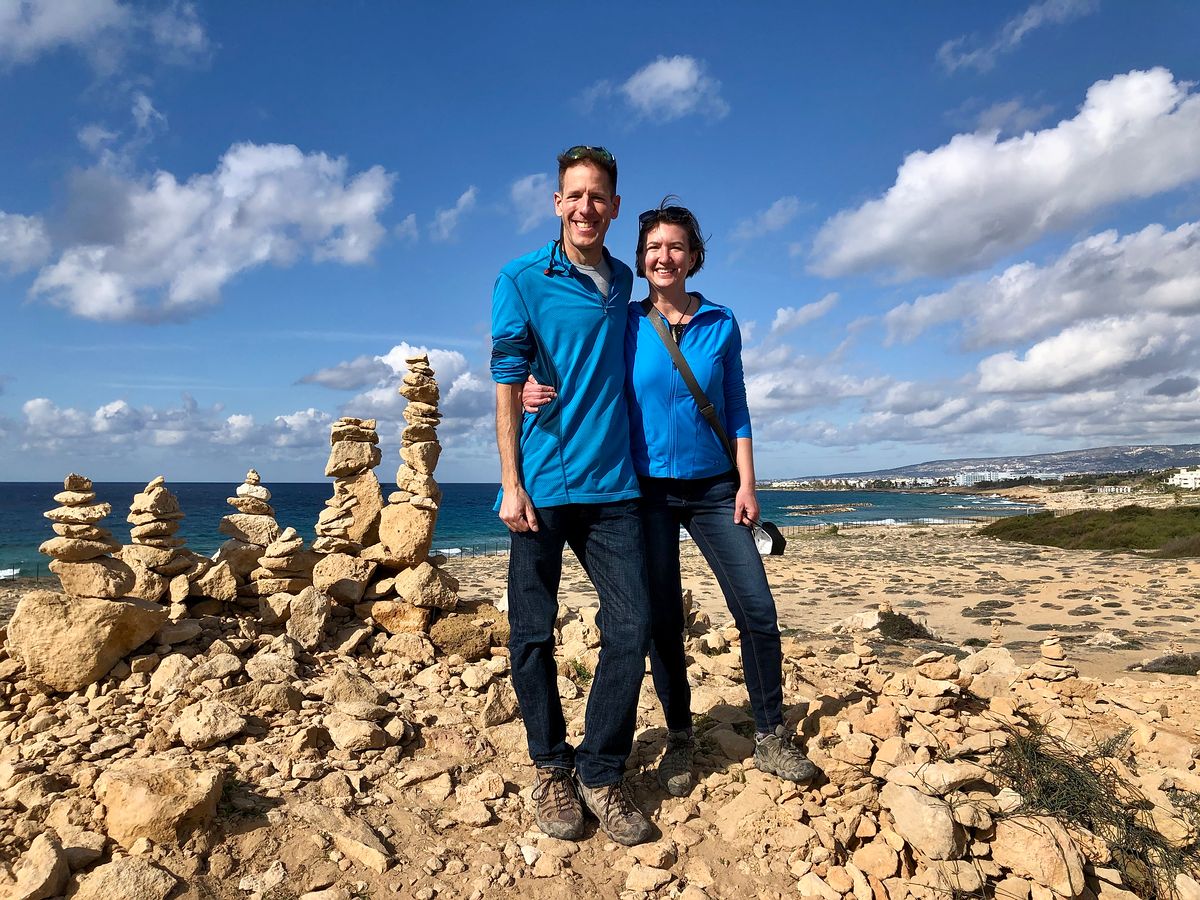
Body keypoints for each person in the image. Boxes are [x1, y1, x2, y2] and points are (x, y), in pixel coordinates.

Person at [525, 199, 818, 797]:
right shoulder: (624, 322)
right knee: (661, 622)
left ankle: (770, 735)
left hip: (715, 490)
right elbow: (573, 364)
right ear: (640, 257)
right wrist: (533, 383)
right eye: (653, 247)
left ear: (693, 257)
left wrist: (747, 484)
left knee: (757, 610)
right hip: (646, 491)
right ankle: (681, 737)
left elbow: (735, 405)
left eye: (676, 247)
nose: (665, 256)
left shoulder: (722, 322)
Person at [491, 145, 654, 846]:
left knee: (633, 626)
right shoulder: (521, 277)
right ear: (556, 203)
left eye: (598, 196)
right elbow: (505, 379)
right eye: (573, 195)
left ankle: (600, 769)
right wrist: (509, 481)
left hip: (614, 484)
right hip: (545, 485)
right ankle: (550, 767)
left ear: (615, 207)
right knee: (531, 633)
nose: (585, 207)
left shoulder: (624, 281)